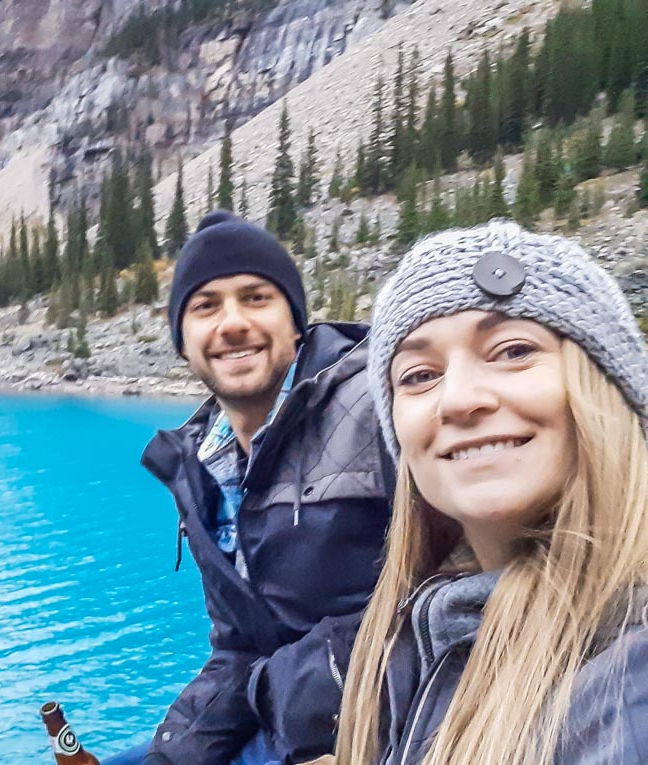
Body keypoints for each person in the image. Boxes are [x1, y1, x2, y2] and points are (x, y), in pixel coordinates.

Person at [334, 221, 648, 765]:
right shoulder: (435, 625)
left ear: (608, 386)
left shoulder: (631, 683)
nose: (457, 399)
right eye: (418, 375)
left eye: (512, 350)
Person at [106, 211, 393, 765]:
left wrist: (287, 694)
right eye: (205, 306)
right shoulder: (199, 465)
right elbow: (240, 644)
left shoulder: (377, 407)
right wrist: (173, 755)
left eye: (256, 298)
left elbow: (457, 583)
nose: (232, 323)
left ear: (296, 324)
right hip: (291, 716)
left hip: (387, 718)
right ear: (182, 341)